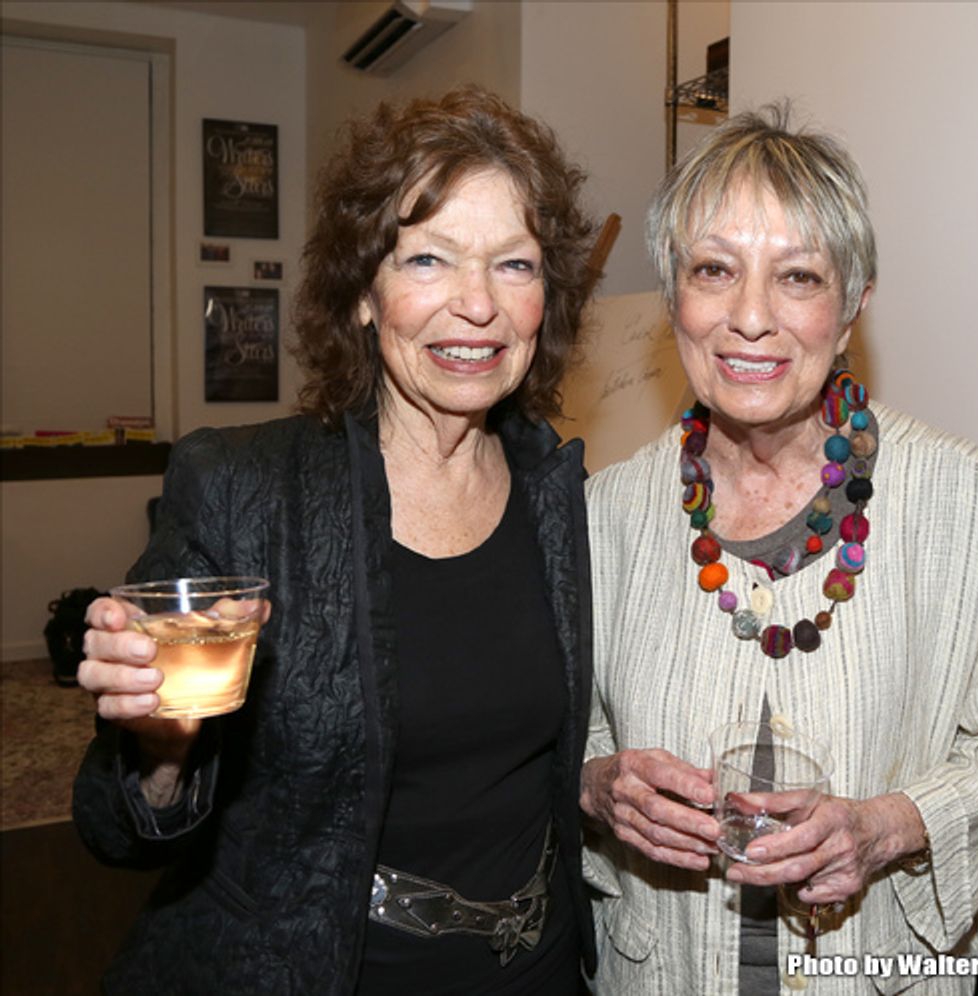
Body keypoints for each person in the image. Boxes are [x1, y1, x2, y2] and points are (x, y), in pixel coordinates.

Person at [73, 87, 597, 994]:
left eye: (513, 265)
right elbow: (114, 831)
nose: (476, 305)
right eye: (428, 259)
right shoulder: (243, 489)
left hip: (537, 966)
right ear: (362, 294)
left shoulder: (563, 493)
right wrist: (161, 750)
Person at [579, 105, 978, 994]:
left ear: (851, 309)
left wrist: (891, 824)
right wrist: (597, 783)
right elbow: (559, 734)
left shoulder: (959, 501)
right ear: (673, 299)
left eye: (798, 277)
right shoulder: (606, 513)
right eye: (714, 270)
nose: (750, 317)